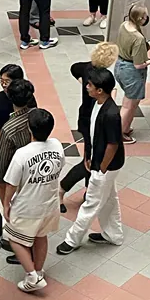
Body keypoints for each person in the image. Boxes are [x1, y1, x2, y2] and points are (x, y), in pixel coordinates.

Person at [57, 67, 125, 254]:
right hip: (99, 162)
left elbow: (113, 144)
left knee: (91, 203)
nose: (86, 87)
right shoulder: (97, 104)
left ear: (100, 90)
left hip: (106, 166)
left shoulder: (111, 114)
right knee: (110, 199)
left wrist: (101, 168)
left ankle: (72, 240)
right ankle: (114, 235)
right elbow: (93, 134)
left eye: (90, 85)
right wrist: (88, 155)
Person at [3, 108, 64, 291]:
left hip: (27, 206)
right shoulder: (57, 146)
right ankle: (39, 270)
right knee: (41, 235)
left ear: (29, 129)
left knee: (13, 238)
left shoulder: (22, 154)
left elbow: (11, 183)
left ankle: (32, 276)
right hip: (50, 202)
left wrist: (6, 203)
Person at [59, 42, 120, 212]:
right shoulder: (102, 77)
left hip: (84, 118)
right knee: (89, 161)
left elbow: (73, 68)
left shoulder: (86, 68)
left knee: (90, 157)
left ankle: (88, 191)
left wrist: (82, 82)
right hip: (94, 123)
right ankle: (62, 188)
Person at [0, 78, 36, 208]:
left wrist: (6, 206)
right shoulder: (37, 116)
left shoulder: (8, 129)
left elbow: (1, 168)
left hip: (15, 172)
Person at [114, 4, 150, 144]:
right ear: (140, 18)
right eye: (145, 16)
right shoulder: (138, 39)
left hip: (120, 65)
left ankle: (125, 126)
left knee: (128, 101)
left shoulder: (124, 25)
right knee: (129, 105)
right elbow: (138, 64)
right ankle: (119, 133)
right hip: (132, 71)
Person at [0, 64, 36, 155]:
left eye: (7, 81)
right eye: (1, 81)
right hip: (4, 148)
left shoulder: (27, 97)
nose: (3, 84)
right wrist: (5, 142)